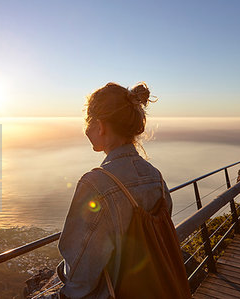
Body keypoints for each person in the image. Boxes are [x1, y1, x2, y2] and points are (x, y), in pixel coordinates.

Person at [56, 82, 191, 298]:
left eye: (88, 122)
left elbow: (81, 274)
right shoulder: (155, 177)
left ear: (100, 126)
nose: (85, 130)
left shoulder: (95, 184)